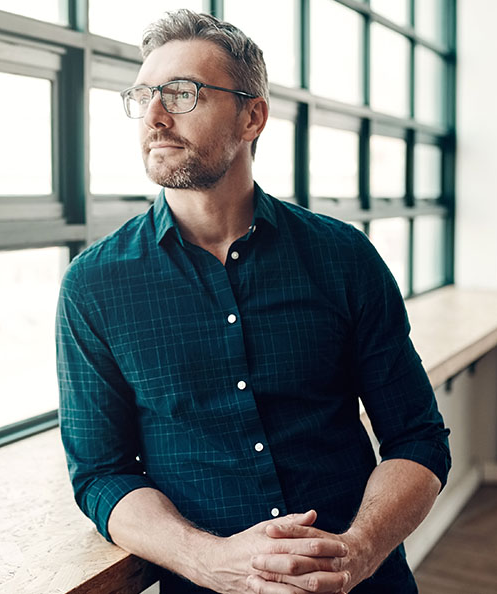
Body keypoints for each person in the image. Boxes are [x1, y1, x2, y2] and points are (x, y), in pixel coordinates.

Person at [56, 9, 451, 594]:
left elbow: (417, 435)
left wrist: (358, 550)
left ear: (253, 116)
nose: (156, 117)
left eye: (183, 94)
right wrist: (207, 560)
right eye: (145, 96)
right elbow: (100, 474)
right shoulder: (93, 286)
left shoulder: (344, 258)